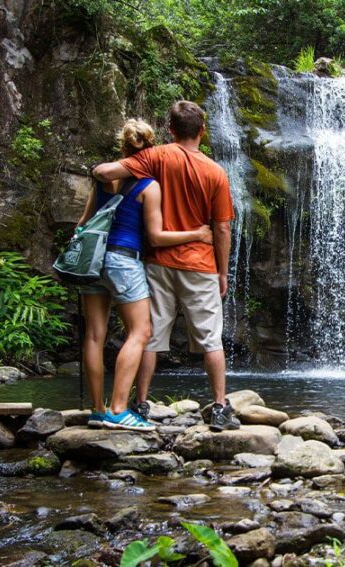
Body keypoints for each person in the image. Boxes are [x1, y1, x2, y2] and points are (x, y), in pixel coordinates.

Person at [92, 101, 239, 431]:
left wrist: (98, 175)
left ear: (170, 130)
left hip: (157, 263)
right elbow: (222, 227)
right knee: (211, 340)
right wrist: (222, 271)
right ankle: (219, 406)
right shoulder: (216, 172)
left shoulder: (156, 156)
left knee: (151, 337)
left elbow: (108, 172)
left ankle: (141, 403)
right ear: (202, 130)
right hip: (201, 265)